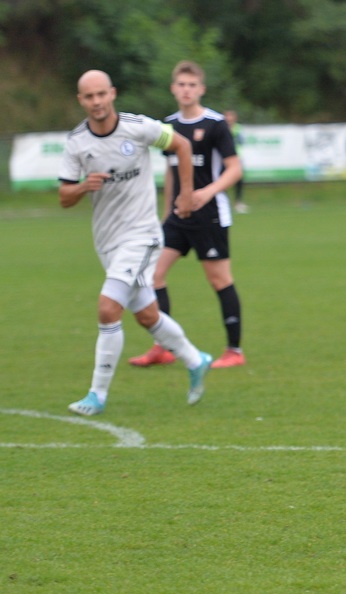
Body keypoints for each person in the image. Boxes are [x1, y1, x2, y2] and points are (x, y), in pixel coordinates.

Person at [59, 70, 213, 416]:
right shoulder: (77, 143)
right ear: (80, 100)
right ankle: (195, 359)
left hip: (142, 236)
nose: (97, 102)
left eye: (102, 94)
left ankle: (96, 395)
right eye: (89, 97)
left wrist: (187, 195)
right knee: (146, 315)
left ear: (112, 93)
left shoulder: (138, 127)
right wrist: (84, 186)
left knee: (107, 307)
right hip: (107, 241)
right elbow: (64, 196)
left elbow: (182, 145)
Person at [129, 61, 246, 370]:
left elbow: (235, 169)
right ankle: (162, 346)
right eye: (181, 84)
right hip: (178, 218)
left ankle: (234, 350)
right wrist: (166, 213)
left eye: (192, 85)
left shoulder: (216, 124)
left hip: (210, 215)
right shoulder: (168, 126)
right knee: (153, 275)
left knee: (219, 280)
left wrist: (206, 193)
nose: (186, 90)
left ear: (201, 89)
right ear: (173, 88)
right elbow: (171, 172)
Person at [224, 109, 249, 214]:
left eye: (231, 117)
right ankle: (224, 203)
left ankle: (238, 202)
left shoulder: (238, 129)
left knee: (239, 181)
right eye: (227, 117)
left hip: (236, 158)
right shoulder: (221, 128)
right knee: (223, 181)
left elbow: (242, 141)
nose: (229, 119)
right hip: (224, 158)